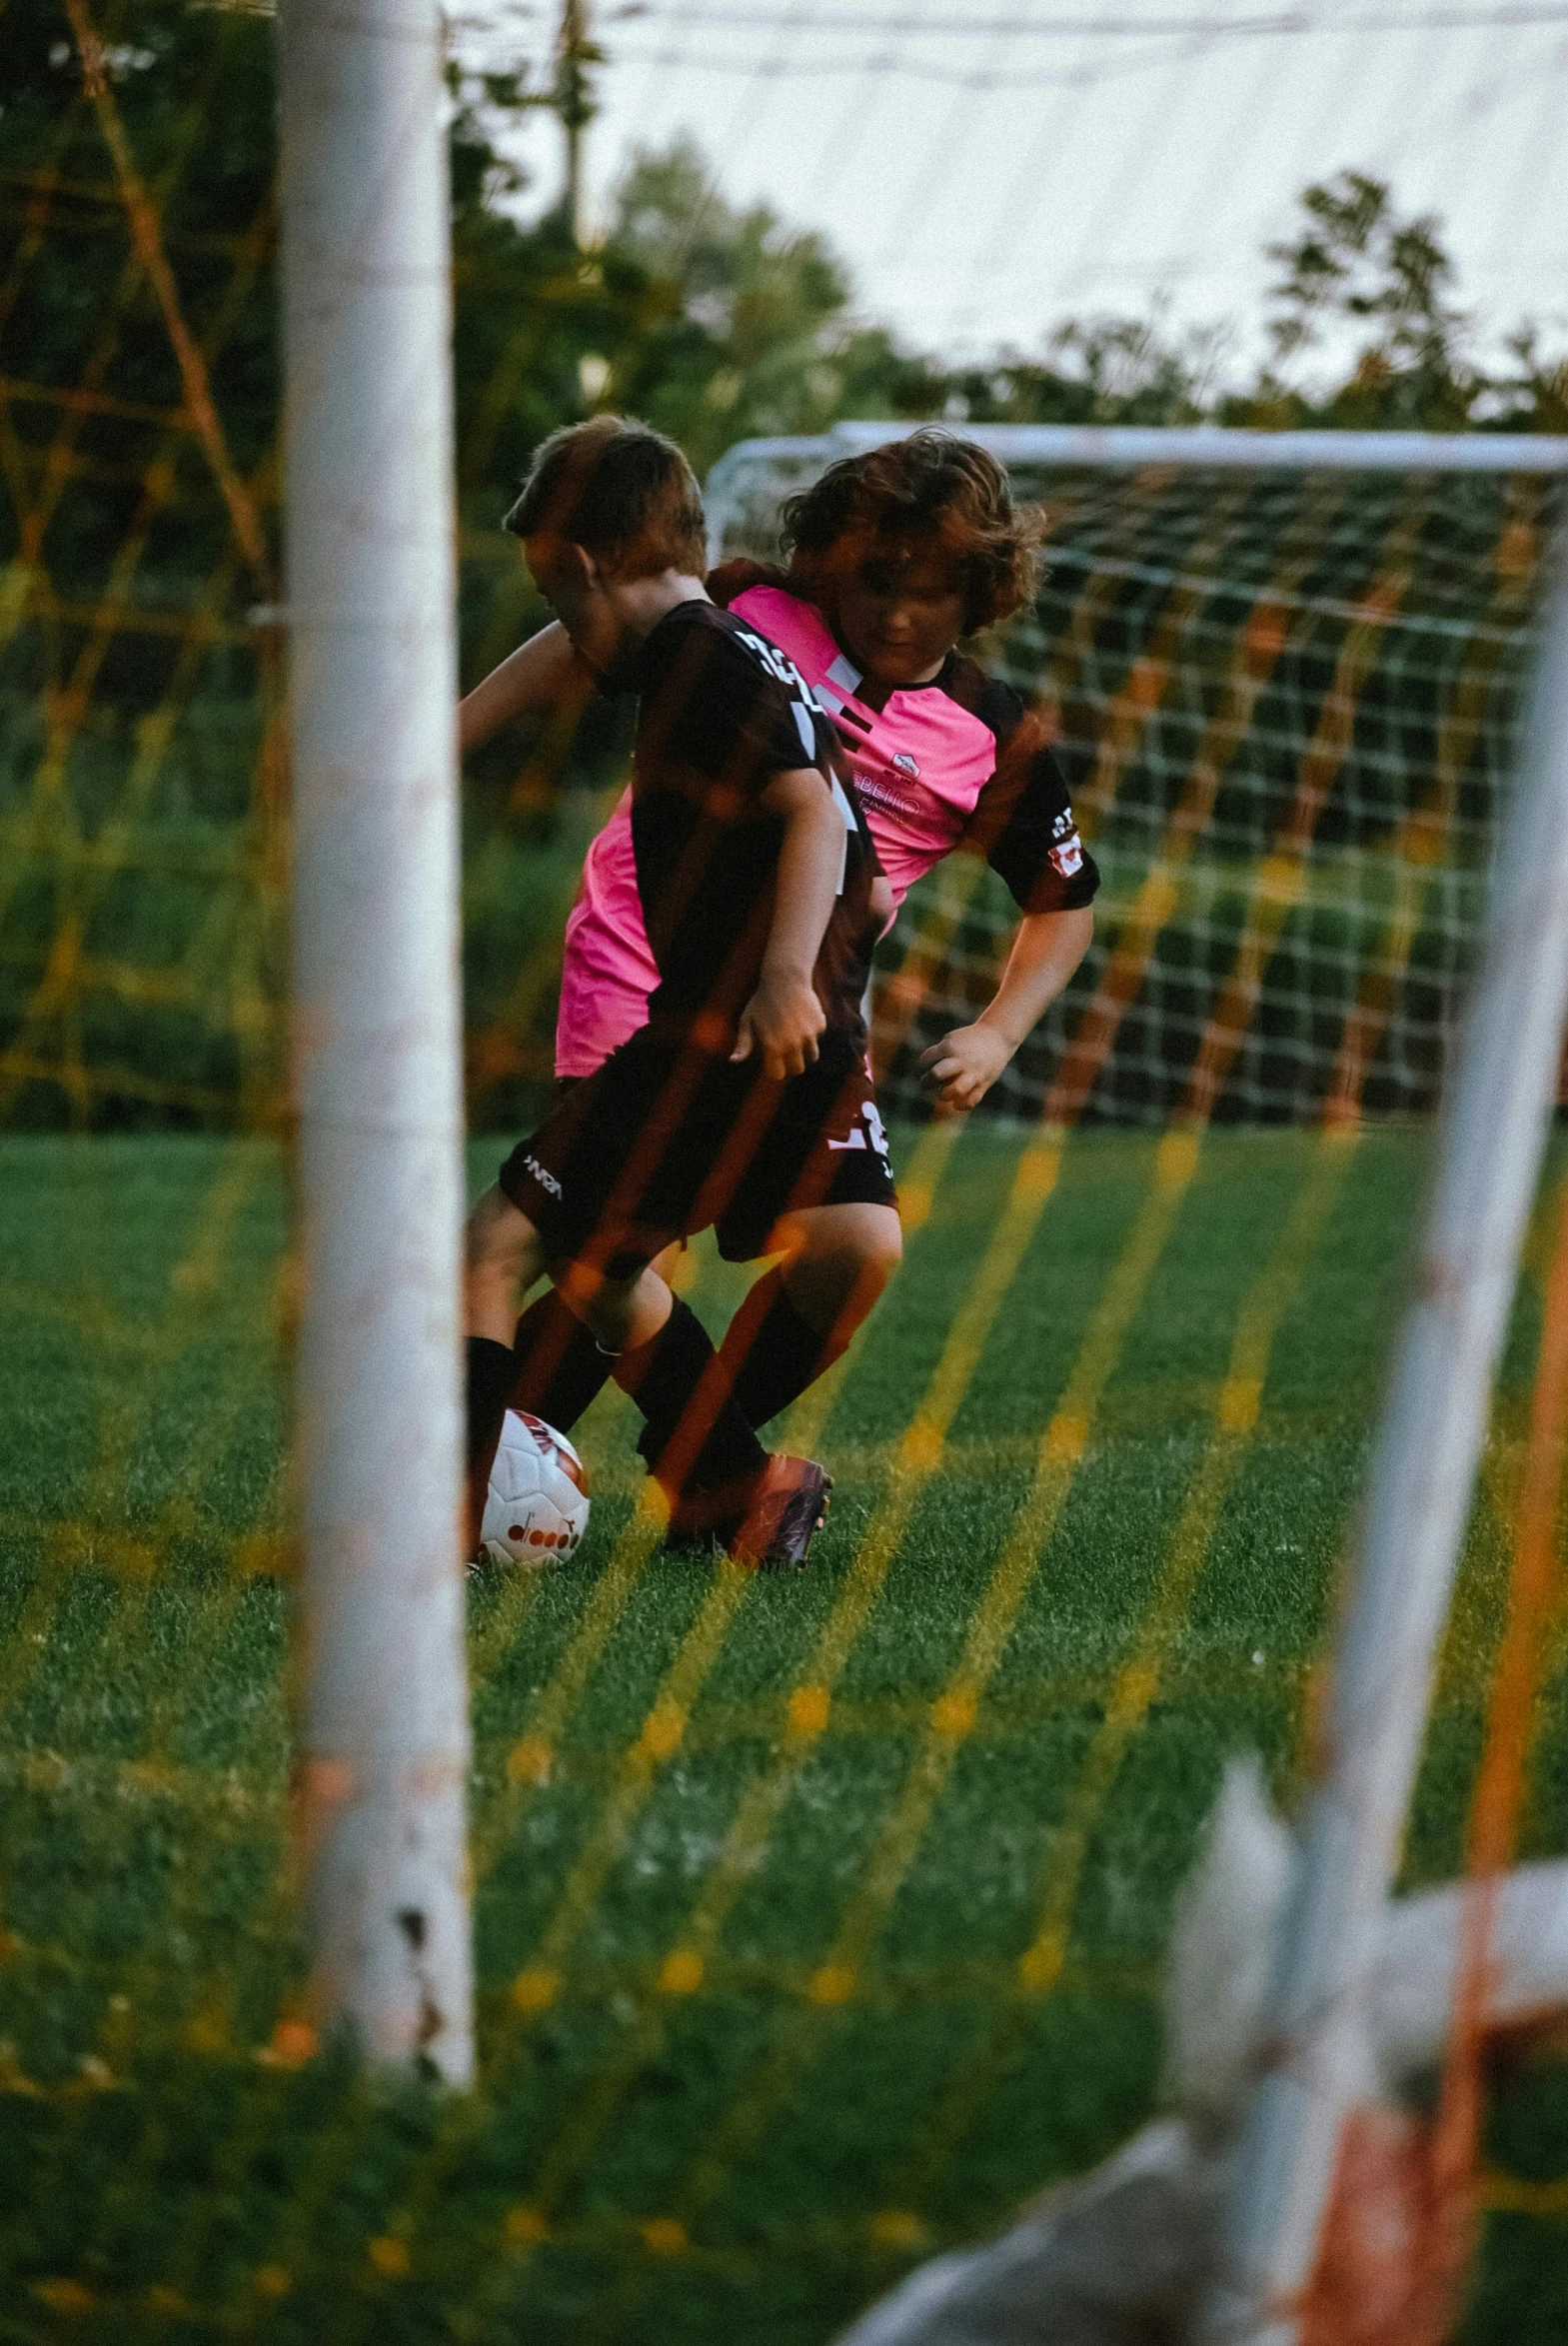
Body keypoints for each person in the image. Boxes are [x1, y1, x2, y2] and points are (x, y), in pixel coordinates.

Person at [462, 431, 1099, 1453]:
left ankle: (694, 1454)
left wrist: (997, 1032)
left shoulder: (994, 738)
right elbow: (597, 633)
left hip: (800, 1003)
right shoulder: (748, 616)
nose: (896, 612)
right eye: (876, 581)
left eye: (928, 592)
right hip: (644, 952)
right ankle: (515, 1458)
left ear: (979, 592)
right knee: (615, 1242)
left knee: (855, 1247)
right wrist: (454, 729)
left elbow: (1065, 904)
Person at [464, 415, 896, 1569]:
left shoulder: (700, 658)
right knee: (602, 1265)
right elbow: (839, 825)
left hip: (722, 1032)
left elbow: (808, 806)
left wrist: (783, 977)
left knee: (493, 1250)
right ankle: (738, 1489)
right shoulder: (723, 646)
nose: (568, 633)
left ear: (588, 563)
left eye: (560, 600)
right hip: (768, 1035)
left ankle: (440, 1518)